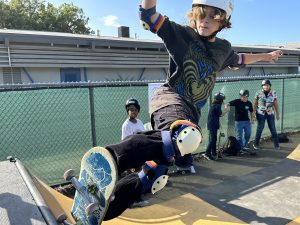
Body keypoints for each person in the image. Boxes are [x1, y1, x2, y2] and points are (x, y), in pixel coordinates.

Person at [139, 0, 283, 169]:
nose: (205, 20)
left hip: (191, 111)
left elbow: (240, 59)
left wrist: (267, 56)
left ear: (222, 22)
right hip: (170, 99)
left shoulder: (223, 50)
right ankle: (116, 153)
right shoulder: (181, 35)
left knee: (163, 168)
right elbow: (148, 16)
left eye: (213, 16)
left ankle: (134, 180)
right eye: (201, 15)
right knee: (183, 135)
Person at [103, 120, 202, 220]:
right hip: (166, 137)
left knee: (153, 179)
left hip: (169, 144)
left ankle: (110, 207)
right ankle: (110, 158)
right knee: (141, 146)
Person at [253, 79, 280, 150]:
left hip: (270, 113)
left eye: (267, 85)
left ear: (269, 86)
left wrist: (277, 114)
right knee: (259, 129)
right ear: (262, 86)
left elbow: (275, 103)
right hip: (260, 113)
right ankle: (256, 144)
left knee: (273, 129)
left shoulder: (273, 92)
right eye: (264, 85)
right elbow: (255, 104)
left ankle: (276, 145)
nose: (266, 86)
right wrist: (253, 114)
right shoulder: (258, 93)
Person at [225, 90, 254, 154]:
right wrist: (226, 106)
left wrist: (252, 119)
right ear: (240, 96)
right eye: (242, 96)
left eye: (245, 97)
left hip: (247, 121)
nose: (243, 98)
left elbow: (252, 111)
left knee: (248, 134)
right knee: (239, 136)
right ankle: (240, 149)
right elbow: (228, 103)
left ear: (247, 96)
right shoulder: (236, 101)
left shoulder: (249, 103)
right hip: (238, 122)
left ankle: (243, 146)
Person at [204, 92, 228, 160]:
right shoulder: (217, 106)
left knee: (214, 139)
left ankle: (214, 153)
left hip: (212, 124)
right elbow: (220, 114)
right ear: (220, 100)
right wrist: (226, 110)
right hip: (213, 124)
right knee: (213, 139)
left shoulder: (214, 105)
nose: (223, 101)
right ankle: (207, 153)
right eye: (222, 100)